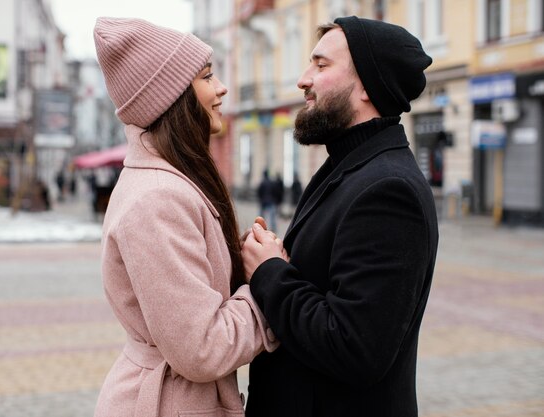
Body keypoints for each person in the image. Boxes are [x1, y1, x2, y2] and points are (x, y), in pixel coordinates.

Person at [241, 16, 439, 417]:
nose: (303, 79)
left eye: (321, 65)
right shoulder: (350, 167)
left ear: (366, 85)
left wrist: (270, 272)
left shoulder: (388, 189)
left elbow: (354, 347)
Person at [92, 18, 278, 417]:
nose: (222, 87)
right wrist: (268, 285)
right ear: (172, 97)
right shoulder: (159, 199)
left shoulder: (168, 183)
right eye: (208, 77)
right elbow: (202, 349)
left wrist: (238, 262)